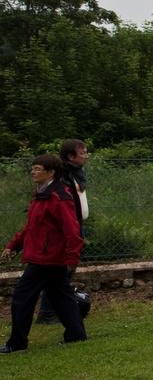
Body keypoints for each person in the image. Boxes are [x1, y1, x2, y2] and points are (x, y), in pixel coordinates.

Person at [1, 155, 87, 354]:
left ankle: (17, 343)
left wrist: (73, 256)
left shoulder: (59, 196)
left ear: (51, 172)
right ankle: (76, 335)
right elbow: (32, 226)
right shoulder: (41, 194)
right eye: (33, 168)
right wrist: (13, 245)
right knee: (61, 295)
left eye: (37, 168)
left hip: (47, 258)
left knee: (22, 296)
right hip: (43, 255)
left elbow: (72, 229)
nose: (33, 171)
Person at [36, 139, 89, 325]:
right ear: (70, 156)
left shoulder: (76, 173)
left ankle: (52, 312)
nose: (86, 156)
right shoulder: (62, 176)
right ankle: (48, 313)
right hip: (67, 228)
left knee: (61, 275)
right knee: (60, 273)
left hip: (76, 224)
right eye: (82, 153)